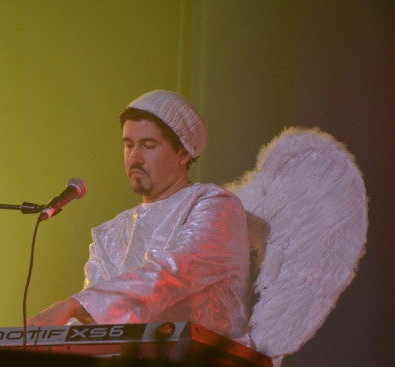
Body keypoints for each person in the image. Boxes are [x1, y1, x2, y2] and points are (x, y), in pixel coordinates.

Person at [28, 90, 251, 339]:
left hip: (203, 359)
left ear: (184, 152)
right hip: (127, 360)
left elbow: (171, 274)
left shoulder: (215, 205)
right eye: (128, 145)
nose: (134, 158)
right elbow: (92, 326)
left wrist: (75, 305)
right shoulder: (111, 233)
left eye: (148, 145)